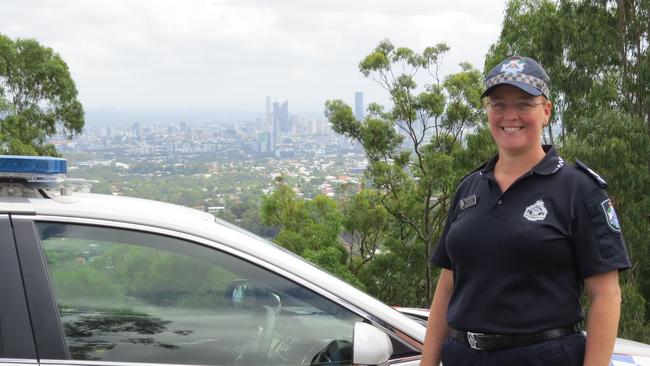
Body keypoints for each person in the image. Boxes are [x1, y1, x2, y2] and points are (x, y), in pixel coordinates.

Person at [420, 56, 631, 366]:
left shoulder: (579, 191)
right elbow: (448, 285)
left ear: (546, 111)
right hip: (463, 357)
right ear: (488, 112)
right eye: (498, 104)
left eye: (523, 104)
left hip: (543, 357)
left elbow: (606, 296)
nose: (510, 115)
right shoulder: (469, 188)